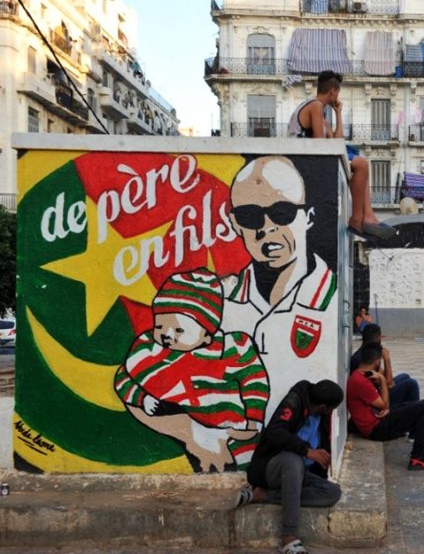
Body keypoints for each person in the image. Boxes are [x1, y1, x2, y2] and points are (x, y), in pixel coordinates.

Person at [114, 268, 270, 472]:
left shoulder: (231, 349)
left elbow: (254, 380)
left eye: (179, 330)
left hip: (234, 431)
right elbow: (123, 379)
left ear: (207, 334)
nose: (167, 335)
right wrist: (141, 398)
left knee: (247, 467)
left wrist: (254, 418)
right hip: (190, 434)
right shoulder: (150, 350)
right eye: (160, 326)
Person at [220, 156, 337, 424]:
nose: (266, 227)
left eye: (282, 212)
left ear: (308, 217)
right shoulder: (220, 300)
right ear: (235, 224)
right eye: (249, 216)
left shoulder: (330, 299)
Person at [288, 70, 394, 239]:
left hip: (313, 157)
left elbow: (338, 143)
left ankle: (368, 216)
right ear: (333, 91)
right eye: (338, 92)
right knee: (361, 164)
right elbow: (320, 144)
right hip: (305, 160)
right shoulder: (314, 106)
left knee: (361, 164)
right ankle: (358, 219)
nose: (338, 96)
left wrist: (338, 114)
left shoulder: (320, 113)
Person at [241, 380, 343, 554]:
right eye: (332, 409)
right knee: (293, 459)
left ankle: (264, 495)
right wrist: (306, 451)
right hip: (273, 469)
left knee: (332, 492)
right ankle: (289, 537)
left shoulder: (322, 415)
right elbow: (275, 432)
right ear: (324, 407)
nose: (331, 412)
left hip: (300, 474)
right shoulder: (294, 401)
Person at [347, 343, 424, 470]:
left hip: (379, 419)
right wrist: (381, 379)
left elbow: (383, 403)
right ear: (377, 361)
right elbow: (384, 404)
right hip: (376, 429)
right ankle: (417, 458)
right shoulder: (360, 380)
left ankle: (423, 447)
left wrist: (386, 408)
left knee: (417, 406)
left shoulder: (361, 374)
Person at [350, 324, 424, 443]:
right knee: (411, 384)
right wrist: (386, 358)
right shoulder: (366, 360)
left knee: (404, 376)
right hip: (375, 402)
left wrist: (382, 377)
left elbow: (385, 377)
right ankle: (414, 431)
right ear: (379, 338)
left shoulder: (365, 353)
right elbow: (388, 383)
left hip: (375, 393)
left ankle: (411, 423)